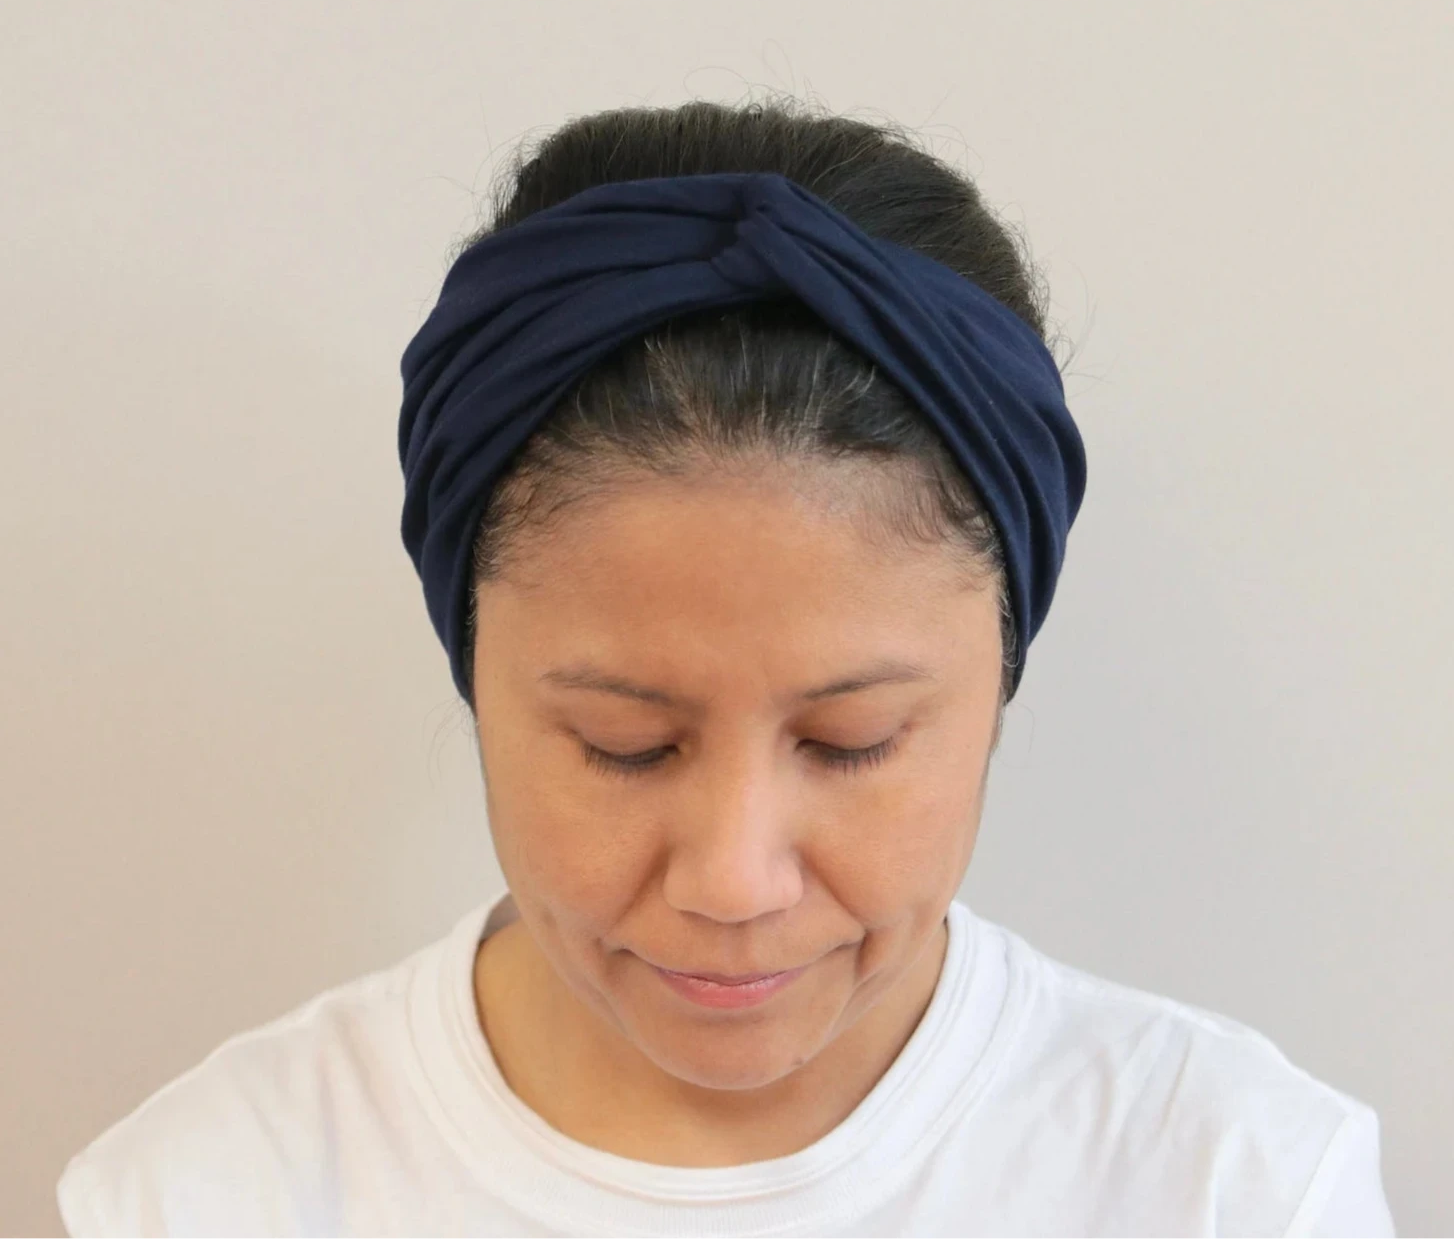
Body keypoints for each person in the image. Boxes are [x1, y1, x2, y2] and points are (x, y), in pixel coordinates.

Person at [56, 98, 1396, 1236]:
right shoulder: (205, 1196)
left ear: (996, 686)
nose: (734, 881)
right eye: (624, 745)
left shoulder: (1231, 1183)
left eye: (852, 739)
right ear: (473, 668)